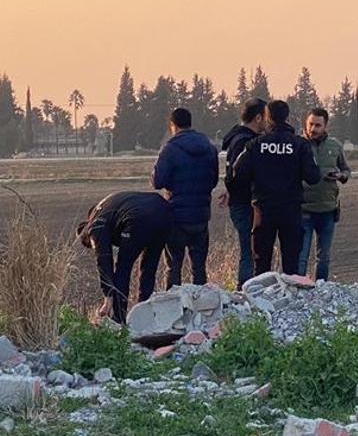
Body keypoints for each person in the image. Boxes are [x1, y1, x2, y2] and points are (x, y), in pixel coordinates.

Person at [233, 100, 320, 275]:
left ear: (267, 117)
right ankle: (291, 298)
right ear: (287, 117)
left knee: (261, 263)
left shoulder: (256, 144)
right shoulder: (300, 145)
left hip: (263, 209)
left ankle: (260, 299)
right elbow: (313, 177)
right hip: (291, 209)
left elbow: (237, 173)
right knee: (291, 264)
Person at [77, 191, 173, 324]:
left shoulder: (95, 226)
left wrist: (108, 295)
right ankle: (145, 316)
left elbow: (104, 260)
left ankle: (118, 320)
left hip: (137, 219)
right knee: (149, 268)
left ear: (88, 236)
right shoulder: (105, 207)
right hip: (164, 211)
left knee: (123, 269)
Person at [152, 107, 219, 288]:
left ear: (172, 125)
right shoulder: (209, 148)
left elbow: (158, 182)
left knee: (173, 268)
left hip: (176, 217)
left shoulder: (170, 149)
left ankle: (175, 309)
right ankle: (202, 309)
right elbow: (213, 180)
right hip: (201, 217)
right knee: (199, 269)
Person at [220, 98, 268, 290]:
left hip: (239, 201)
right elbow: (241, 174)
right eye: (266, 117)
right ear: (258, 118)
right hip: (246, 203)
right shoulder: (247, 143)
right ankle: (247, 289)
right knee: (250, 251)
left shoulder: (235, 138)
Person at [298, 107, 351, 280]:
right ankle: (299, 289)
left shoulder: (334, 146)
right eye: (311, 124)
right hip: (303, 209)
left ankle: (321, 289)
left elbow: (346, 170)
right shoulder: (297, 144)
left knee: (323, 258)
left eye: (318, 125)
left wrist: (341, 176)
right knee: (301, 256)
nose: (313, 129)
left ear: (325, 126)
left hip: (327, 210)